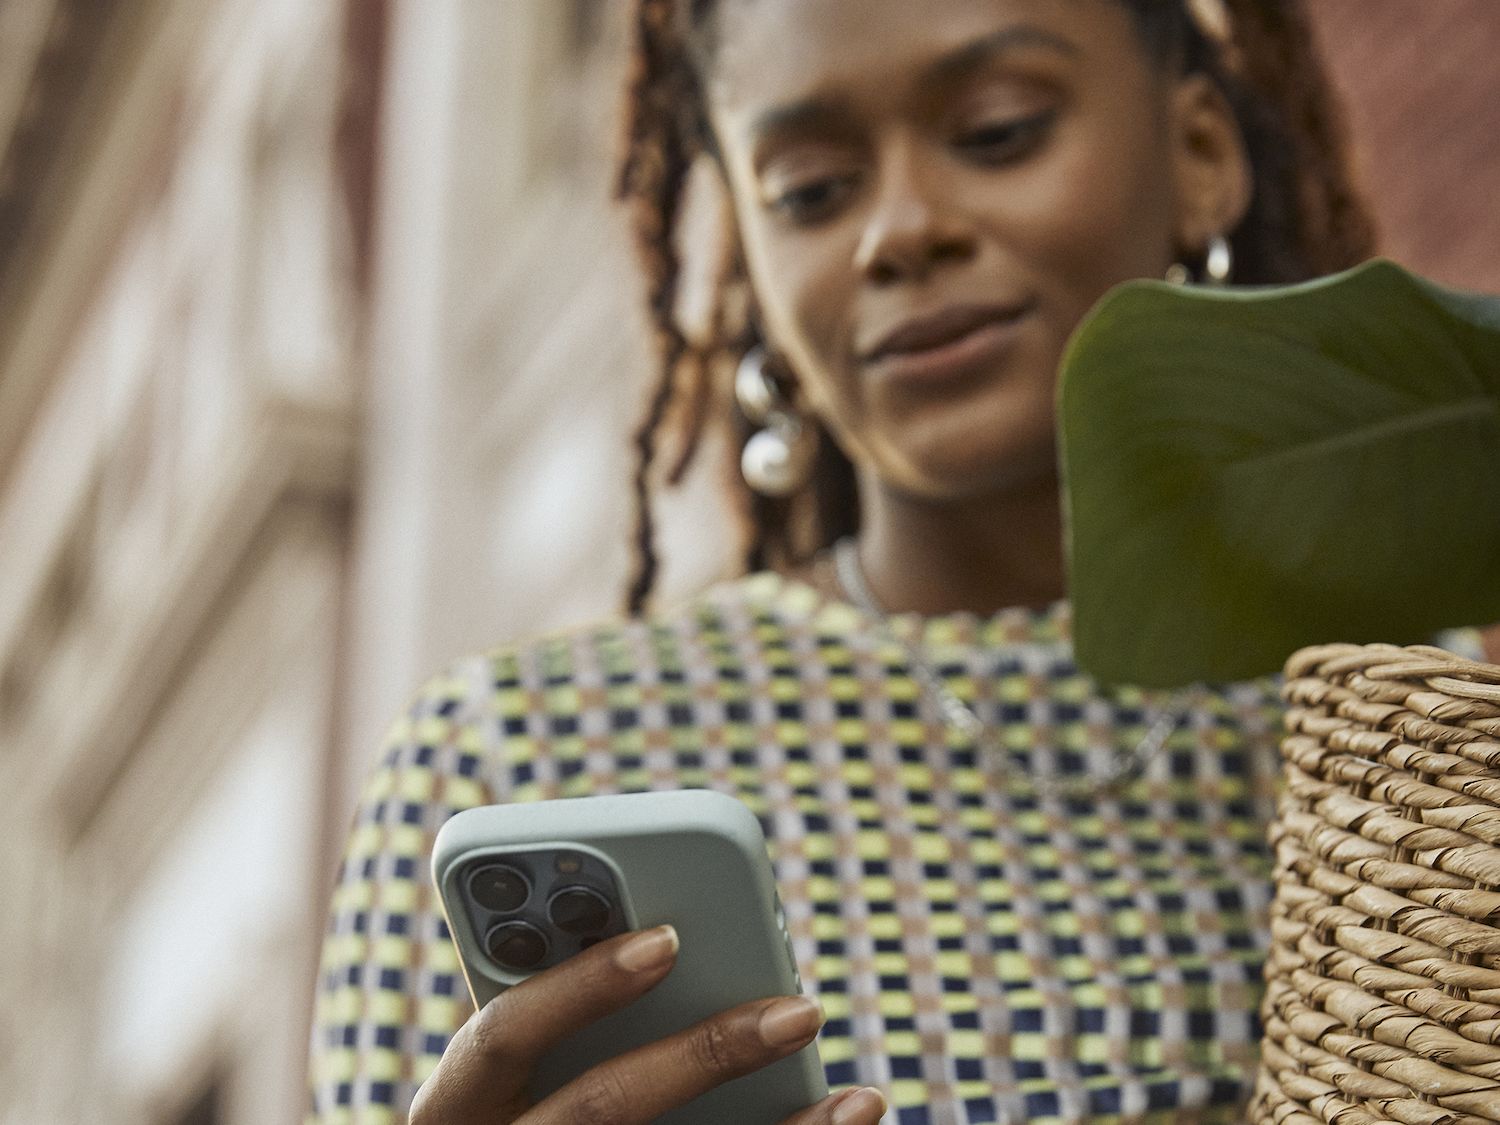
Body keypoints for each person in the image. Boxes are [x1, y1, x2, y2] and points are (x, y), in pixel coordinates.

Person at [306, 1, 1382, 1121]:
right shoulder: (517, 757)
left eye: (999, 130)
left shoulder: (1380, 708)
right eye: (813, 191)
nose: (900, 230)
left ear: (1201, 154)